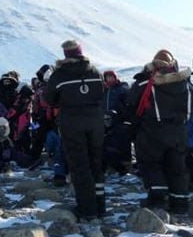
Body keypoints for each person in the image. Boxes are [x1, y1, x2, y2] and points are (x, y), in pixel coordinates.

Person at [45, 40, 106, 220]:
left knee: (80, 165)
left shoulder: (60, 74)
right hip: (95, 121)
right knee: (96, 162)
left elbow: (49, 98)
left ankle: (87, 209)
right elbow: (101, 93)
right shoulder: (95, 71)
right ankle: (100, 206)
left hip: (72, 121)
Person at [126, 50, 192, 214]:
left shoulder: (147, 83)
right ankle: (180, 203)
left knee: (151, 163)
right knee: (177, 167)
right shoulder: (185, 83)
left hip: (153, 129)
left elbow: (131, 103)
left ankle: (157, 200)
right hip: (178, 129)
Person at [102, 70, 132, 175]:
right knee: (107, 144)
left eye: (112, 77)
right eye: (107, 78)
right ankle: (111, 165)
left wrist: (119, 113)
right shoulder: (104, 91)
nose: (110, 80)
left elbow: (128, 105)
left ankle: (125, 165)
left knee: (121, 143)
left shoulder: (122, 89)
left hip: (120, 120)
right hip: (105, 120)